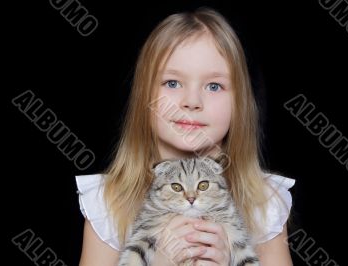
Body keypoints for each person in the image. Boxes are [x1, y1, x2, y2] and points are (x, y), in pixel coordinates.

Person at [75, 7, 295, 266]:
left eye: (214, 86)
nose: (191, 101)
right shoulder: (110, 202)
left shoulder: (263, 202)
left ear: (241, 103)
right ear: (144, 95)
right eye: (172, 83)